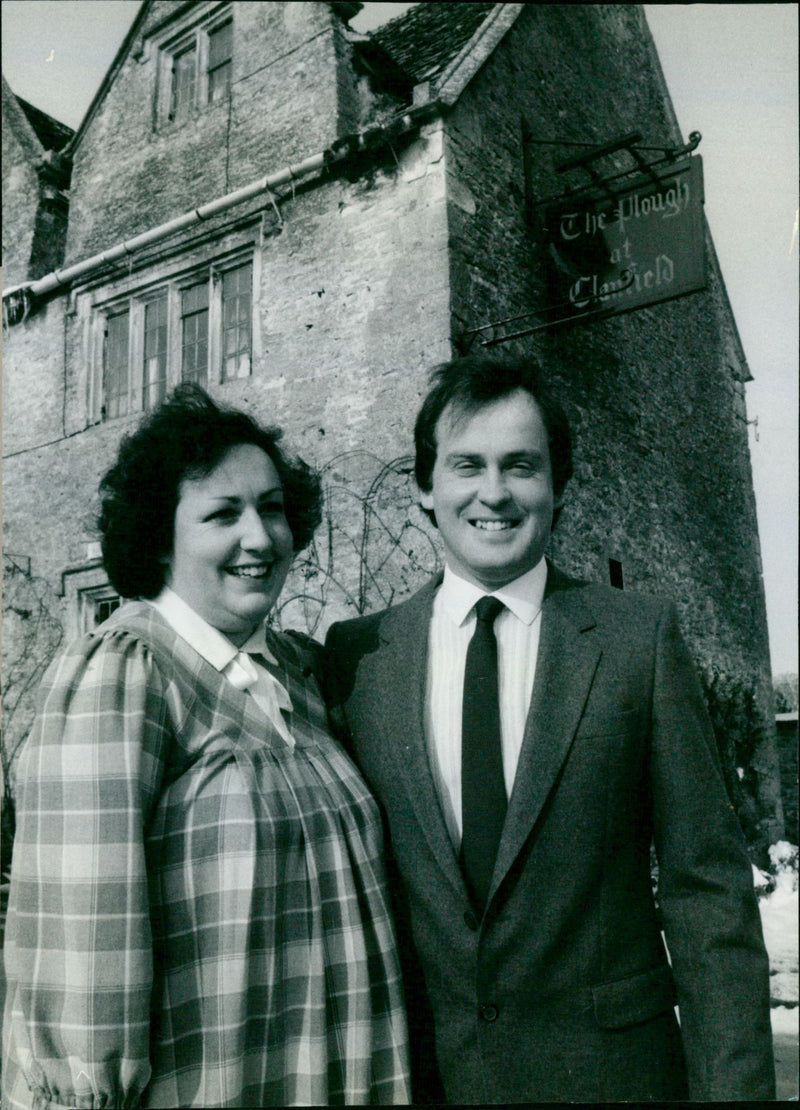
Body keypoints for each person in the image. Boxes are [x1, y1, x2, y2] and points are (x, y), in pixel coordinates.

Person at [323, 354, 775, 1103]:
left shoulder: (638, 640)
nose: (493, 493)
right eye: (467, 465)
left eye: (521, 466)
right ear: (424, 487)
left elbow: (707, 891)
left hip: (613, 1081)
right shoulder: (358, 658)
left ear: (557, 488)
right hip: (425, 1081)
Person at [2, 384, 410, 1108]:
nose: (259, 538)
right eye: (223, 514)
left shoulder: (301, 676)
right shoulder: (125, 673)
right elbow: (81, 963)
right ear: (162, 539)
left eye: (272, 507)